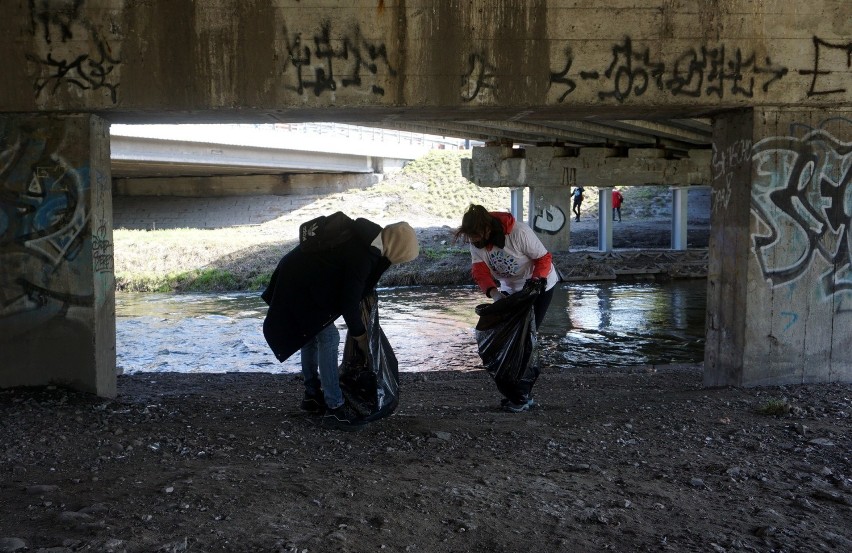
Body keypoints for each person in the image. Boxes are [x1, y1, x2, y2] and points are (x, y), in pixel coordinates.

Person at [262, 214, 419, 431]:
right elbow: (348, 303)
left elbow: (353, 286)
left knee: (310, 337)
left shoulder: (372, 238)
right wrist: (360, 336)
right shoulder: (364, 254)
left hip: (296, 277)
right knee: (329, 338)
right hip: (299, 286)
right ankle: (334, 406)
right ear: (397, 250)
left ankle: (312, 396)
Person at [454, 204, 559, 412]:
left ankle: (522, 397)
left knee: (524, 341)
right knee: (506, 341)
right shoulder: (476, 242)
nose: (474, 241)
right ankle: (517, 394)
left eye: (475, 236)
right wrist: (494, 294)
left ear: (487, 228)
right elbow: (480, 270)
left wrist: (536, 282)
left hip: (539, 287)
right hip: (509, 291)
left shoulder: (519, 233)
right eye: (470, 237)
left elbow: (544, 258)